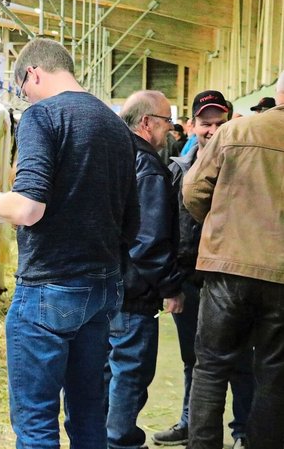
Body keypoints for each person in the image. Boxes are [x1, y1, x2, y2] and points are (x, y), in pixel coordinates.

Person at [0, 37, 140, 449]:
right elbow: (131, 220)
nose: (25, 97)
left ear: (33, 74)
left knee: (37, 422)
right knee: (88, 412)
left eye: (23, 89)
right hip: (102, 287)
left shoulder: (42, 116)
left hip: (49, 289)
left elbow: (27, 208)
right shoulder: (115, 124)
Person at [183, 73, 284, 449]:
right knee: (274, 373)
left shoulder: (236, 132)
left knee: (210, 367)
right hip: (281, 276)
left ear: (278, 93)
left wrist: (219, 222)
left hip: (227, 268)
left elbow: (193, 190)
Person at [152, 90, 254, 449]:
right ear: (192, 125)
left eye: (219, 123)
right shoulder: (178, 170)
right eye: (205, 123)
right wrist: (171, 286)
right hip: (191, 281)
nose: (212, 130)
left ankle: (243, 429)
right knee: (192, 358)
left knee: (241, 359)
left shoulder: (245, 166)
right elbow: (166, 228)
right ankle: (190, 421)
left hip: (231, 281)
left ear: (229, 124)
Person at [107, 90, 184, 449]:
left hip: (100, 286)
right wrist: (170, 286)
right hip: (133, 292)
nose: (171, 130)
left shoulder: (107, 157)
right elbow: (148, 239)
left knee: (104, 372)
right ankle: (120, 443)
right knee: (130, 374)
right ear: (147, 122)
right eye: (167, 121)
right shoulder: (148, 166)